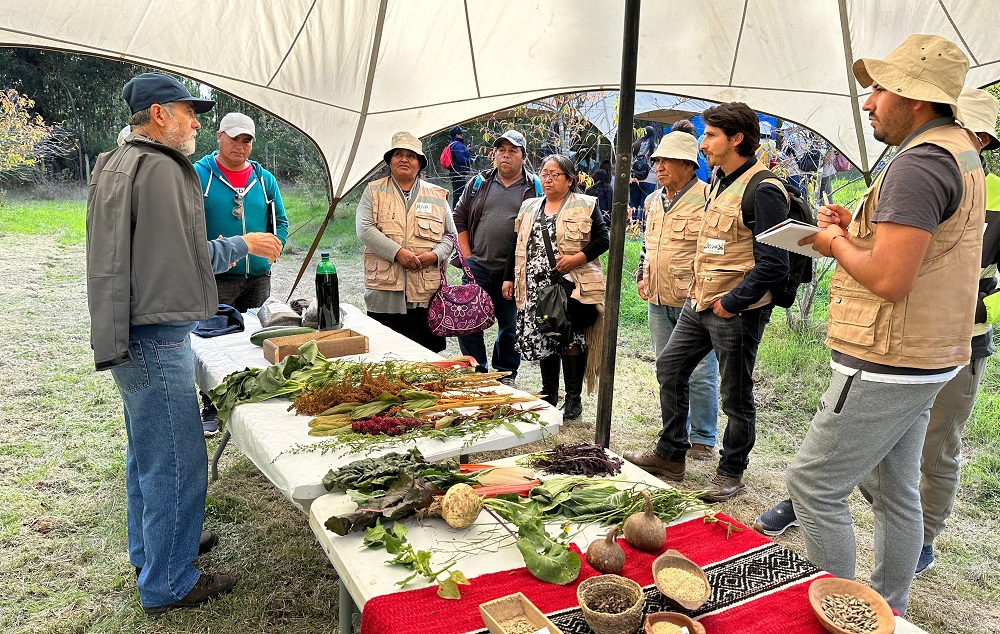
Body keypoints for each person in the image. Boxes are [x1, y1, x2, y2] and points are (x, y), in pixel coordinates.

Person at [753, 87, 1000, 580]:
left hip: (888, 356)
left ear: (917, 98)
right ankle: (886, 606)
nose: (868, 104)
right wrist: (857, 232)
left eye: (881, 91)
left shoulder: (920, 162)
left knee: (813, 486)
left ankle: (835, 614)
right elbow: (916, 251)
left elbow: (890, 279)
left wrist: (832, 241)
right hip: (922, 353)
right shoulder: (957, 154)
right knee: (895, 492)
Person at [86, 72, 282, 613]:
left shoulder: (116, 161)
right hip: (155, 333)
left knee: (147, 453)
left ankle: (154, 549)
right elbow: (188, 254)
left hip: (127, 326)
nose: (196, 122)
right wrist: (243, 242)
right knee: (176, 457)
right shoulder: (163, 168)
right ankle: (169, 581)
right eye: (188, 112)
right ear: (158, 115)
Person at [624, 102, 790, 502]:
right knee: (670, 365)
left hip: (735, 310)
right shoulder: (719, 181)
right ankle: (670, 455)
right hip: (698, 303)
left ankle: (730, 472)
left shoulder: (763, 189)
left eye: (711, 135)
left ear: (737, 139)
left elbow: (774, 263)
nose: (703, 142)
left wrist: (732, 302)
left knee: (734, 392)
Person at [194, 112, 289, 434]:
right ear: (218, 136)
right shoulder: (199, 176)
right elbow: (187, 226)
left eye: (246, 140)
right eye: (234, 138)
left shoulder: (264, 180)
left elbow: (282, 222)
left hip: (258, 277)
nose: (240, 145)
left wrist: (276, 246)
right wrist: (216, 249)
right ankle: (211, 406)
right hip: (215, 277)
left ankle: (251, 403)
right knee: (212, 343)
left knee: (255, 341)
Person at [502, 155, 609, 419]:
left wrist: (576, 259)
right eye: (544, 173)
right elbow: (516, 244)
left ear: (570, 179)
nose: (547, 179)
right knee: (544, 337)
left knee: (568, 338)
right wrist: (508, 278)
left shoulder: (585, 204)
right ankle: (549, 393)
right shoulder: (529, 206)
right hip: (534, 286)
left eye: (554, 174)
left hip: (569, 286)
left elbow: (603, 238)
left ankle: (573, 400)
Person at [635, 132, 718, 461]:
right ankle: (675, 432)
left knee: (700, 372)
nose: (658, 166)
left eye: (666, 160)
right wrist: (642, 273)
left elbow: (714, 251)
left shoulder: (709, 198)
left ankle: (703, 437)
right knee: (666, 369)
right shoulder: (652, 201)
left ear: (688, 165)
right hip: (657, 297)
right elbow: (647, 242)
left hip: (692, 300)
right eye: (656, 160)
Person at [453, 130, 541, 384]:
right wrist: (468, 258)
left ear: (523, 157)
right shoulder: (479, 183)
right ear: (494, 155)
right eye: (501, 150)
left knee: (510, 325)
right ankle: (476, 369)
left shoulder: (534, 187)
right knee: (468, 318)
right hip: (477, 265)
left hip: (514, 271)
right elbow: (459, 218)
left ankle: (505, 373)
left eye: (513, 151)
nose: (506, 155)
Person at [356, 131, 456, 352]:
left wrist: (434, 256)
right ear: (389, 161)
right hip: (384, 295)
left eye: (411, 156)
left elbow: (451, 236)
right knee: (385, 357)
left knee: (427, 359)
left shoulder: (438, 196)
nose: (404, 159)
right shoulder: (373, 191)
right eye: (398, 154)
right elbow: (364, 229)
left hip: (426, 294)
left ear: (419, 163)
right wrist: (398, 252)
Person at [629, 125, 659, 225]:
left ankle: (632, 223)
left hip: (634, 179)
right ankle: (642, 225)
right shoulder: (654, 147)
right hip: (650, 179)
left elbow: (630, 162)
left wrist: (631, 177)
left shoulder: (635, 145)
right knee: (645, 204)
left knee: (633, 202)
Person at [447, 125, 473, 200]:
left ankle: (457, 210)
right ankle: (456, 211)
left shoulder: (453, 143)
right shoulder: (458, 145)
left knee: (458, 194)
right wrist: (471, 161)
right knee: (459, 196)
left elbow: (458, 155)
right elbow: (461, 159)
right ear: (457, 135)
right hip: (459, 173)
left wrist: (467, 149)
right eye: (461, 134)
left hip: (455, 172)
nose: (462, 135)